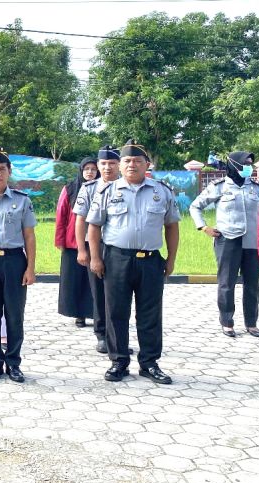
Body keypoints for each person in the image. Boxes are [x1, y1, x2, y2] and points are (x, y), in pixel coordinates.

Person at [86, 140, 180, 384]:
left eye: (137, 161)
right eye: (127, 161)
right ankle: (119, 361)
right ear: (121, 165)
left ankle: (149, 363)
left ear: (146, 165)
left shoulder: (162, 191)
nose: (132, 165)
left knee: (150, 313)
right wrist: (95, 258)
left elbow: (172, 226)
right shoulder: (108, 192)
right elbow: (94, 227)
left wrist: (171, 259)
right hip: (117, 259)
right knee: (116, 311)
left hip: (150, 260)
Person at [190, 151, 259, 337]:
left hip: (252, 242)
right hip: (228, 240)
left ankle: (251, 323)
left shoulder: (256, 188)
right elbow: (195, 206)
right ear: (234, 164)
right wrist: (203, 227)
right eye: (245, 163)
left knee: (253, 284)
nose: (249, 167)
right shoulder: (220, 187)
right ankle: (227, 322)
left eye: (250, 164)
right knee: (226, 283)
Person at [0, 148, 37, 383]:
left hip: (14, 260)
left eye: (2, 169)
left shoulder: (22, 200)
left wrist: (30, 268)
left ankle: (13, 362)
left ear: (9, 172)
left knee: (14, 315)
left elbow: (30, 236)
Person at [73, 145, 131, 354]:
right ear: (98, 166)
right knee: (99, 292)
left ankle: (119, 338)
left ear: (119, 165)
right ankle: (101, 334)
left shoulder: (128, 187)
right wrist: (82, 250)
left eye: (112, 163)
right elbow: (80, 220)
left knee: (120, 294)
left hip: (120, 248)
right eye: (103, 164)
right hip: (95, 246)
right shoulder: (89, 188)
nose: (108, 167)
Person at [56, 157, 97, 327]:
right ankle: (78, 314)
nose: (89, 172)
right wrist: (60, 240)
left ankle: (96, 314)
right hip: (73, 243)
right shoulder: (70, 188)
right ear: (81, 170)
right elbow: (61, 214)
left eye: (93, 169)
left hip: (96, 242)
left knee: (93, 281)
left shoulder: (104, 188)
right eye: (86, 168)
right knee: (75, 280)